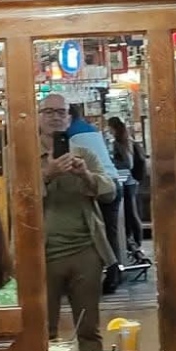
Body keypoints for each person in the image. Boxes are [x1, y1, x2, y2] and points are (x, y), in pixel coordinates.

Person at [38, 90, 116, 351]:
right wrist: (47, 174)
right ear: (38, 117)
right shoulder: (21, 155)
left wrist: (85, 175)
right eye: (48, 112)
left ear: (69, 119)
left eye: (61, 112)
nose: (55, 117)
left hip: (86, 251)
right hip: (42, 255)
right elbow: (15, 197)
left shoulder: (84, 154)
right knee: (43, 331)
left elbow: (110, 192)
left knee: (89, 328)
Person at [68, 104, 124, 267]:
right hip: (112, 179)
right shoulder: (92, 129)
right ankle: (115, 271)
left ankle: (107, 272)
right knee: (110, 233)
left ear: (68, 116)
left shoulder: (69, 134)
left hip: (98, 183)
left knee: (99, 233)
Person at [107, 115, 148, 261]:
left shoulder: (119, 143)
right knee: (131, 212)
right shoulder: (128, 140)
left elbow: (127, 163)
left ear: (113, 128)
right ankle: (135, 243)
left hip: (126, 181)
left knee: (130, 213)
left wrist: (112, 162)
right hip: (132, 181)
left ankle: (134, 243)